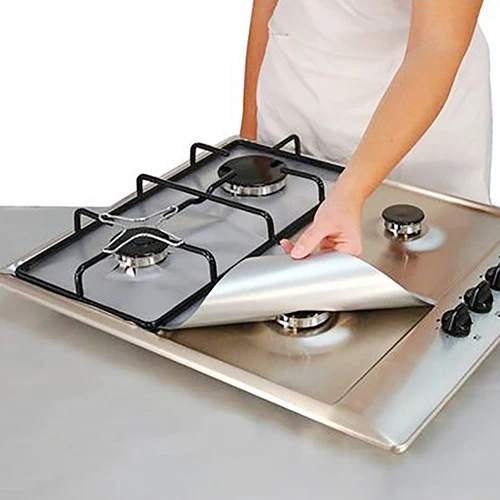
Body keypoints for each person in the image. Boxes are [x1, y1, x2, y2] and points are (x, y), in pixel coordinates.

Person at [240, 0, 492, 259]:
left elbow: (437, 47)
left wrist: (349, 193)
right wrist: (248, 137)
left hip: (407, 144)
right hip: (288, 122)